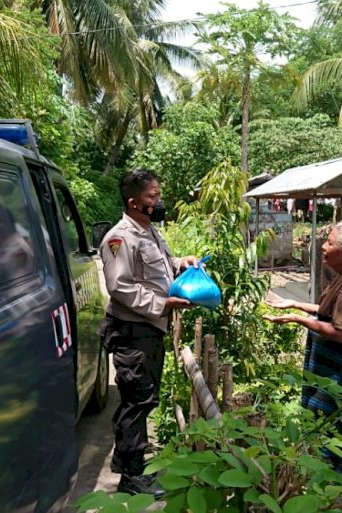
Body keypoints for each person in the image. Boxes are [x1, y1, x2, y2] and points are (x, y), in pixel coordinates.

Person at [97, 168, 198, 498]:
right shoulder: (118, 238)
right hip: (133, 330)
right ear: (133, 202)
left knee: (140, 397)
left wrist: (182, 263)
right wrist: (163, 303)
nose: (159, 201)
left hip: (149, 329)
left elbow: (159, 267)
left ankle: (123, 458)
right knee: (137, 401)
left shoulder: (149, 231)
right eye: (152, 197)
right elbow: (119, 286)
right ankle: (133, 477)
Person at [263, 221, 342, 481]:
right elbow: (327, 311)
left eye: (330, 243)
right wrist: (294, 303)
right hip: (333, 365)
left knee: (338, 424)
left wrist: (296, 318)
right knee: (327, 421)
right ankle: (331, 483)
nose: (323, 247)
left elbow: (340, 332)